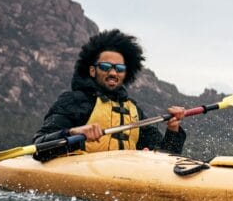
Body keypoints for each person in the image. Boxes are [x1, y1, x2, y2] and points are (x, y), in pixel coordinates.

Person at [33, 29, 186, 161]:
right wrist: (72, 132)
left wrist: (173, 130)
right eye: (106, 67)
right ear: (93, 70)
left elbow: (165, 156)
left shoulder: (133, 110)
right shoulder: (73, 101)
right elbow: (39, 147)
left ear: (125, 74)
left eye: (119, 68)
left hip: (124, 177)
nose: (113, 73)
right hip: (81, 175)